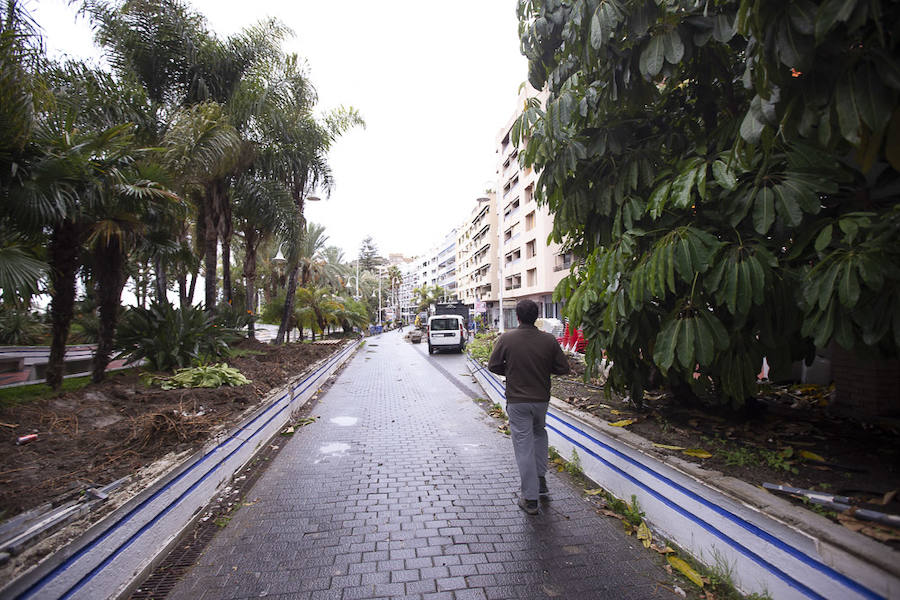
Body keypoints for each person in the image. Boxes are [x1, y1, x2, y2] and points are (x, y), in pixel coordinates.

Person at [488, 299, 570, 515]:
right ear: (537, 317)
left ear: (518, 317)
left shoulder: (507, 338)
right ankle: (541, 482)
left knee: (523, 445)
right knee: (539, 434)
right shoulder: (549, 340)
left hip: (517, 401)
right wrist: (542, 369)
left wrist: (513, 372)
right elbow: (563, 368)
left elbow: (493, 365)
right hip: (541, 400)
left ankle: (530, 499)